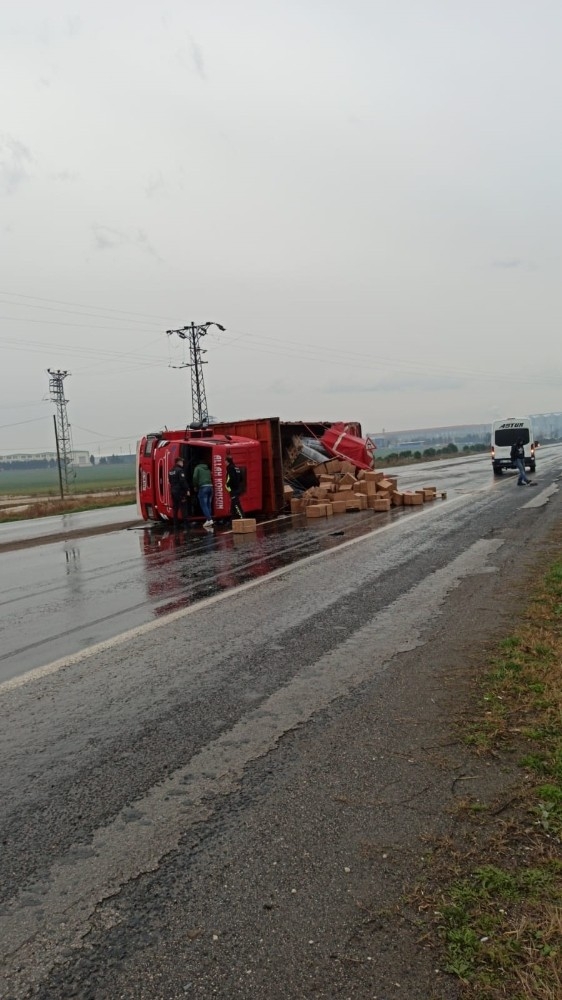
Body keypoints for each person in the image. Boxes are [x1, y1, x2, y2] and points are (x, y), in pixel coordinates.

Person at [168, 457, 190, 527]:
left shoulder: (171, 471)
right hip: (180, 492)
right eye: (182, 462)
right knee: (183, 507)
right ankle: (186, 524)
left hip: (173, 491)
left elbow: (170, 481)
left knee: (175, 508)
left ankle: (175, 524)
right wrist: (187, 490)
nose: (182, 463)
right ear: (178, 462)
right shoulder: (180, 470)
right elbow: (182, 481)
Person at [192, 459, 214, 526]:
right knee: (208, 504)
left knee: (203, 505)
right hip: (210, 487)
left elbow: (195, 477)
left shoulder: (197, 468)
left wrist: (195, 486)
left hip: (203, 487)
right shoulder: (208, 469)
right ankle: (208, 520)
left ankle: (209, 520)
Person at [225, 455, 244, 519]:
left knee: (236, 504)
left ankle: (242, 517)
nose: (224, 463)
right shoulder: (236, 467)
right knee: (233, 503)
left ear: (227, 461)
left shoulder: (229, 468)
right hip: (238, 488)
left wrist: (227, 485)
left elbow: (230, 478)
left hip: (233, 489)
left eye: (225, 461)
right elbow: (241, 478)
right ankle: (233, 519)